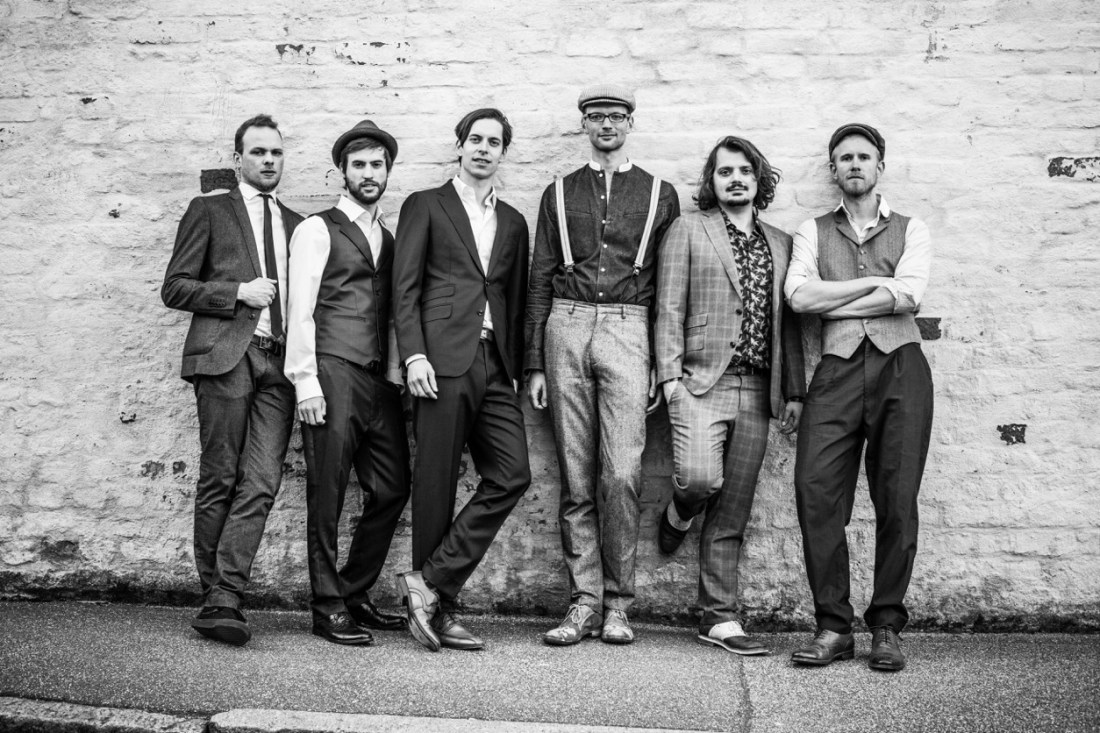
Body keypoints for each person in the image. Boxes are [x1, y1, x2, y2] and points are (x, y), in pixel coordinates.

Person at [526, 85, 680, 646]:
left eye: (616, 116)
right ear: (584, 124)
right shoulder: (558, 192)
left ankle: (619, 604)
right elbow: (540, 276)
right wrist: (534, 364)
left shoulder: (660, 193)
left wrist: (662, 363)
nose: (606, 124)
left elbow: (667, 286)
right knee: (576, 474)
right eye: (596, 116)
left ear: (630, 123)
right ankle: (584, 603)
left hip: (629, 327)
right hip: (565, 324)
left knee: (621, 473)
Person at [785, 123, 933, 671]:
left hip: (902, 367)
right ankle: (833, 626)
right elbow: (799, 298)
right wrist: (876, 290)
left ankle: (886, 625)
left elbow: (909, 294)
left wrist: (833, 302)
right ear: (833, 169)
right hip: (836, 371)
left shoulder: (913, 228)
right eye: (844, 158)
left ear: (879, 166)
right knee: (816, 492)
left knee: (897, 497)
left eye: (863, 157)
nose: (854, 164)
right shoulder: (812, 230)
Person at [655, 136, 805, 655]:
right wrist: (669, 379)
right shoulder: (688, 229)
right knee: (699, 479)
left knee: (732, 512)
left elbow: (789, 323)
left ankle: (718, 617)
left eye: (745, 171)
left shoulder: (782, 242)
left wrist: (793, 390)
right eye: (725, 172)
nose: (736, 179)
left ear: (759, 180)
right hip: (701, 382)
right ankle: (679, 511)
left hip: (760, 389)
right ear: (712, 181)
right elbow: (668, 306)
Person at [392, 108, 531, 652]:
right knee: (436, 483)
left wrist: (520, 368)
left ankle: (429, 584)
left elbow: (516, 299)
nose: (483, 148)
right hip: (440, 360)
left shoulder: (514, 221)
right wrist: (413, 356)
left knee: (512, 474)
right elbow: (405, 287)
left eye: (494, 142)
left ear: (503, 153)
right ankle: (440, 609)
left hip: (495, 365)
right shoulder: (426, 204)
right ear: (459, 146)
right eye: (475, 139)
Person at [161, 114, 302, 646]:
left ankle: (226, 593)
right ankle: (218, 599)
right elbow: (175, 287)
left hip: (279, 366)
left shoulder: (298, 224)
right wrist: (238, 292)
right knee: (220, 475)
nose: (269, 160)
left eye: (276, 152)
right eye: (258, 152)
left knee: (261, 481)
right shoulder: (210, 210)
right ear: (238, 158)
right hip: (225, 356)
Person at [284, 120, 410, 645]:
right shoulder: (318, 229)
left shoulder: (390, 237)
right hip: (332, 372)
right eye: (358, 165)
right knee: (328, 494)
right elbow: (299, 307)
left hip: (379, 382)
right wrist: (305, 382)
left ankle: (354, 593)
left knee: (393, 488)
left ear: (388, 171)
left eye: (377, 164)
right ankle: (327, 606)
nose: (368, 173)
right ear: (342, 171)